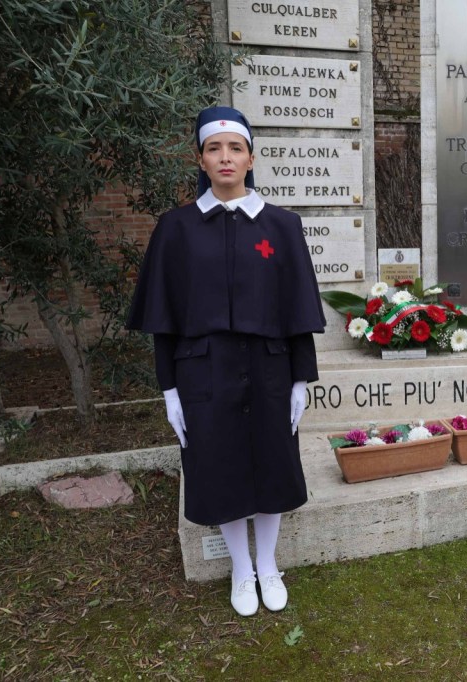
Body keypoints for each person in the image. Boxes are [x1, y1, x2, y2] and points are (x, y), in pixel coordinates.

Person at [127, 106, 326, 616]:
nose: (225, 158)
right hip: (204, 370)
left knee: (272, 465)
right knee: (220, 468)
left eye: (235, 148)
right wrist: (169, 389)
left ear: (251, 157)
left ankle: (268, 564)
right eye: (214, 149)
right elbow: (163, 317)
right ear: (200, 158)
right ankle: (241, 568)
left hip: (269, 368)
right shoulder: (177, 229)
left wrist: (301, 379)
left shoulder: (280, 227)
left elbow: (299, 311)